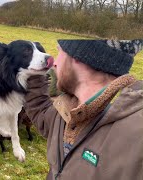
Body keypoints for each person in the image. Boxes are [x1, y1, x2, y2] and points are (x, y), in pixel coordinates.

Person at [24, 40, 143, 180]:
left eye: (59, 52)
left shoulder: (137, 134)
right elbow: (41, 113)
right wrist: (31, 72)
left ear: (78, 56)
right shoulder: (69, 107)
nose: (55, 62)